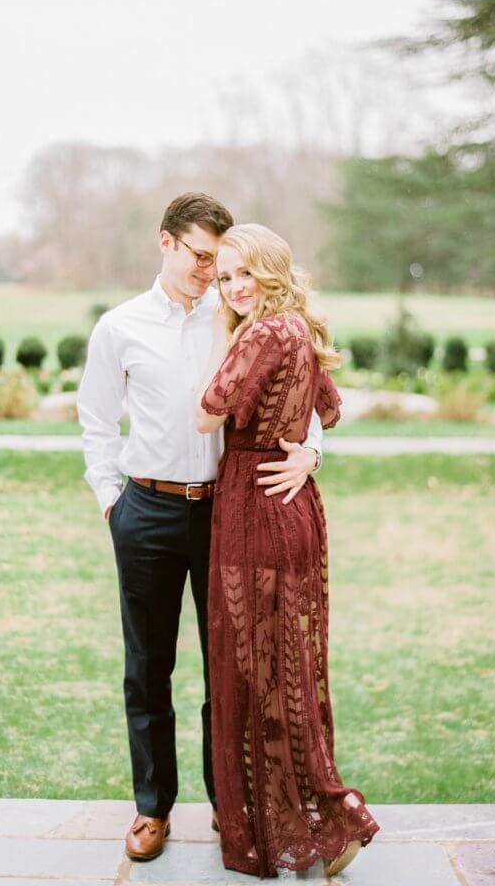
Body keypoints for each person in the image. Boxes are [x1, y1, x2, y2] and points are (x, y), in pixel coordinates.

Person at [77, 194, 326, 863]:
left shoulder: (248, 321)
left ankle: (232, 808)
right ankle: (152, 808)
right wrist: (110, 499)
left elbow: (311, 392)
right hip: (148, 512)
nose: (212, 272)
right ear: (166, 243)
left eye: (221, 262)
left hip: (230, 513)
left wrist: (310, 451)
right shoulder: (120, 326)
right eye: (201, 257)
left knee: (235, 671)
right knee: (147, 667)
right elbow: (96, 419)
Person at [195, 223, 380, 878]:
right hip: (283, 501)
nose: (235, 287)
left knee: (266, 673)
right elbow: (329, 408)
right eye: (225, 277)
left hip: (258, 508)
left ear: (272, 270)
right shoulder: (292, 329)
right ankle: (297, 820)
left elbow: (208, 410)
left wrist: (223, 333)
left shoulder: (269, 331)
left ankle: (334, 818)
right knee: (276, 670)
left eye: (245, 273)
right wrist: (307, 451)